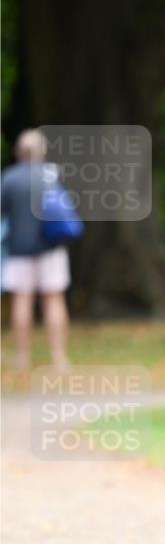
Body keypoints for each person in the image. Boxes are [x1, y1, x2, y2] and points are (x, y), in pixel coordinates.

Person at [1, 129, 71, 372]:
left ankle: (21, 358)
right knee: (54, 300)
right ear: (42, 151)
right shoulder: (51, 176)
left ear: (19, 151)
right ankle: (59, 358)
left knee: (22, 301)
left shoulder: (9, 178)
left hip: (19, 249)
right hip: (51, 248)